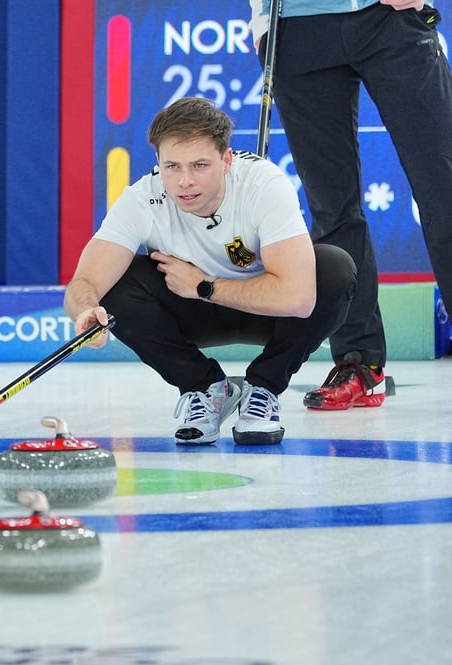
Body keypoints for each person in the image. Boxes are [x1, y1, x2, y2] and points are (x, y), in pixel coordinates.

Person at [64, 97, 357, 446]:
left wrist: (204, 286)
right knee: (113, 288)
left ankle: (264, 388)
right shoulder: (142, 198)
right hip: (192, 314)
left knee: (334, 269)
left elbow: (299, 298)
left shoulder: (264, 185)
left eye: (199, 165)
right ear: (158, 162)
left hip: (268, 312)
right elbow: (84, 282)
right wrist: (85, 309)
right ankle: (205, 387)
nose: (184, 181)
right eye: (172, 167)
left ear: (226, 160)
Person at [250, 0, 452, 410]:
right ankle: (359, 362)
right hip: (297, 25)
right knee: (331, 206)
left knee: (443, 186)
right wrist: (262, 24)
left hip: (389, 17)